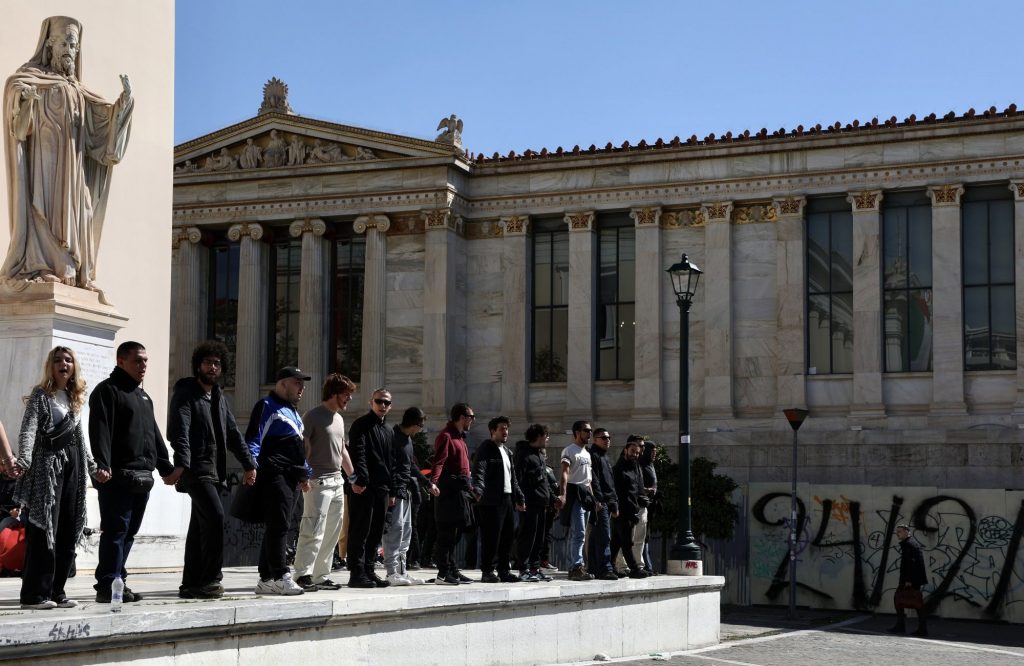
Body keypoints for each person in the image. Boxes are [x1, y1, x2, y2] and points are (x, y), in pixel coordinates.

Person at [1, 17, 133, 296]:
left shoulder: (78, 90)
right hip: (43, 164)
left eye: (73, 45)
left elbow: (101, 132)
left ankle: (71, 268)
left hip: (73, 171)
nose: (69, 50)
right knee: (43, 210)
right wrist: (24, 98)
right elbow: (18, 119)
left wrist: (124, 104)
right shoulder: (29, 77)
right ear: (49, 45)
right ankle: (42, 264)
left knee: (82, 211)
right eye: (64, 43)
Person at [14, 347, 108, 609]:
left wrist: (92, 468)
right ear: (50, 366)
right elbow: (28, 430)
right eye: (57, 360)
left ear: (74, 367)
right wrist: (24, 460)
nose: (63, 364)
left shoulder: (73, 398)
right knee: (45, 530)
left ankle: (57, 591)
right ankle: (34, 595)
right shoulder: (40, 396)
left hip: (73, 468)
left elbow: (81, 440)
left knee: (68, 528)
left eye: (68, 360)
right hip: (47, 468)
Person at [166, 341, 257, 599]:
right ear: (198, 365)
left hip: (215, 472)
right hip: (196, 470)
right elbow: (179, 431)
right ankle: (211, 579)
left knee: (198, 527)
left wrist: (249, 464)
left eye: (217, 363)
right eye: (208, 362)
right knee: (216, 517)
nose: (212, 367)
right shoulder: (186, 393)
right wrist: (181, 464)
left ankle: (191, 584)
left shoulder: (219, 397)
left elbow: (232, 433)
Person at [89, 341, 174, 603]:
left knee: (128, 533)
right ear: (121, 361)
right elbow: (100, 429)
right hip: (117, 477)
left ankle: (118, 581)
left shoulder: (143, 397)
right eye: (138, 360)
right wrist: (102, 464)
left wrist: (166, 468)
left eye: (146, 361)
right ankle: (107, 586)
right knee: (116, 531)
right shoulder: (107, 391)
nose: (143, 366)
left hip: (142, 478)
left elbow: (154, 435)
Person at [245, 366, 313, 596]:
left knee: (278, 525)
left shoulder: (293, 411)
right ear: (283, 383)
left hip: (292, 477)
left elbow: (297, 448)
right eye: (297, 382)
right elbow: (254, 438)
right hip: (274, 474)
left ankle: (266, 578)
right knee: (279, 525)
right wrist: (250, 465)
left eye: (302, 383)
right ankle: (281, 574)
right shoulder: (266, 406)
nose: (302, 388)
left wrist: (305, 474)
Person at [293, 374, 356, 592]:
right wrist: (303, 476)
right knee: (313, 528)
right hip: (316, 481)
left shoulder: (338, 418)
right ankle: (302, 574)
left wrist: (353, 476)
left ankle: (320, 576)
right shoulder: (312, 416)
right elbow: (303, 447)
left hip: (337, 481)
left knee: (332, 531)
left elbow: (342, 450)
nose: (349, 398)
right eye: (346, 394)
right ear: (333, 393)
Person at [383, 407, 438, 585]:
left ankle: (402, 571)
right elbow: (389, 466)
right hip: (395, 490)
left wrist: (427, 484)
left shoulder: (407, 440)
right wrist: (392, 491)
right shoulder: (393, 437)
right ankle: (391, 572)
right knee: (395, 531)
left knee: (405, 531)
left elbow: (411, 466)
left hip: (405, 489)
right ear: (414, 424)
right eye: (420, 426)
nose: (420, 430)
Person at [346, 388, 394, 588]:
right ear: (371, 402)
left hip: (382, 489)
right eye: (379, 401)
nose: (382, 405)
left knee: (376, 532)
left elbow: (392, 462)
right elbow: (358, 454)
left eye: (386, 403)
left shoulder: (388, 430)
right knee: (360, 530)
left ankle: (369, 569)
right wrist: (361, 481)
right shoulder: (361, 425)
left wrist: (392, 490)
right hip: (364, 488)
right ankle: (356, 573)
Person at [472, 416, 525, 583]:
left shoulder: (507, 451)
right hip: (491, 500)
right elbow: (479, 469)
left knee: (508, 536)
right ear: (492, 431)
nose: (505, 432)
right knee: (491, 537)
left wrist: (519, 496)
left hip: (507, 499)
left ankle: (504, 570)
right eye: (501, 428)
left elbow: (513, 478)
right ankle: (487, 570)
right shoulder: (486, 448)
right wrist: (478, 488)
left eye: (507, 429)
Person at [430, 403, 476, 585]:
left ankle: (452, 569)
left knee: (456, 533)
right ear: (463, 417)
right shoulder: (446, 436)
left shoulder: (461, 438)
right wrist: (433, 482)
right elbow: (439, 462)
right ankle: (443, 573)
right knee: (447, 534)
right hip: (448, 491)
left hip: (460, 492)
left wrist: (471, 489)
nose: (473, 420)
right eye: (471, 417)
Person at [513, 424, 559, 582]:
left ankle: (535, 567)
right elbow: (518, 479)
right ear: (538, 436)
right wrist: (520, 499)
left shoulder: (539, 455)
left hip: (542, 502)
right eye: (546, 436)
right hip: (529, 502)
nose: (547, 439)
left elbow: (545, 480)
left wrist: (553, 499)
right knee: (528, 536)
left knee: (539, 538)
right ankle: (523, 568)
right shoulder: (523, 455)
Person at [558, 420, 594, 581]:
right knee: (578, 532)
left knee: (583, 533)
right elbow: (564, 473)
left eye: (590, 430)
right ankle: (575, 566)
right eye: (586, 430)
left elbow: (588, 479)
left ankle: (578, 565)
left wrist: (593, 498)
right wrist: (563, 494)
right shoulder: (569, 450)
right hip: (574, 494)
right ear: (577, 433)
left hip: (586, 495)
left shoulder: (587, 453)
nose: (589, 433)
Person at [612, 439, 649, 579]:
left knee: (616, 541)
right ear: (625, 450)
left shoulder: (635, 467)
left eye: (637, 453)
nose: (635, 454)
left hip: (632, 509)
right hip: (622, 510)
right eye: (633, 451)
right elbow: (618, 492)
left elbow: (637, 489)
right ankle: (634, 568)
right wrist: (616, 508)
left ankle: (611, 566)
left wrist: (641, 499)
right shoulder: (619, 469)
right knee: (627, 542)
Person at [586, 428, 618, 581]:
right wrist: (598, 500)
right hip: (600, 502)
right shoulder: (594, 456)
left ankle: (594, 567)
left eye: (609, 437)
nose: (607, 440)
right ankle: (605, 568)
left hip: (607, 501)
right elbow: (594, 480)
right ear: (595, 439)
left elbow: (610, 483)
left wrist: (614, 502)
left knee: (596, 537)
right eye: (604, 438)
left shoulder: (604, 457)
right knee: (604, 536)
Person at [889, 524, 929, 636]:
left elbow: (911, 564)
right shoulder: (910, 543)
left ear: (907, 532)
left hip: (910, 579)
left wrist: (908, 580)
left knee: (903, 600)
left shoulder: (909, 544)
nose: (898, 534)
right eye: (897, 532)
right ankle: (918, 628)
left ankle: (908, 627)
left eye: (900, 531)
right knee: (915, 602)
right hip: (913, 578)